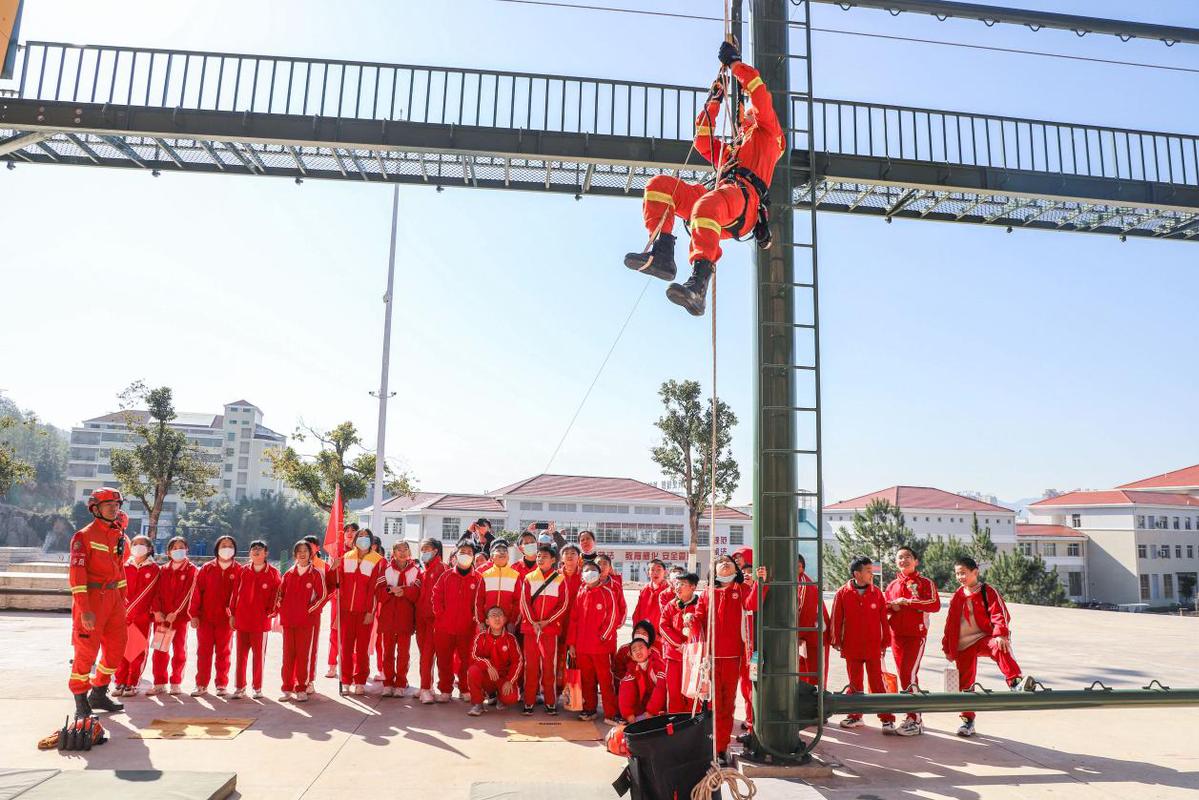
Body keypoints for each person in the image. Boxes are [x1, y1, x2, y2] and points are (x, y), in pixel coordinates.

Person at [623, 41, 783, 316]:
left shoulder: (769, 135)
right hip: (724, 195)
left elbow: (757, 90)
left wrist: (735, 65)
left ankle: (698, 286)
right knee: (660, 186)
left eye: (747, 113)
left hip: (743, 200)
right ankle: (662, 253)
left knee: (705, 206)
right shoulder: (734, 148)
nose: (745, 115)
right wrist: (714, 101)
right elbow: (702, 140)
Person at [942, 556, 1035, 737]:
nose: (960, 577)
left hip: (983, 638)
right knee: (965, 684)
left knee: (999, 646)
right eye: (957, 574)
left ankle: (1015, 682)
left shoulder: (987, 591)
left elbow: (999, 613)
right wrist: (947, 647)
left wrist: (1001, 634)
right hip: (963, 645)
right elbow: (950, 624)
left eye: (963, 573)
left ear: (975, 572)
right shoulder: (958, 595)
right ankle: (967, 721)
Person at [694, 555, 765, 764]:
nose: (725, 563)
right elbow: (698, 616)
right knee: (710, 704)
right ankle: (709, 746)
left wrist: (761, 583)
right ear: (714, 570)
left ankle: (722, 747)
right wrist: (691, 619)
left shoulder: (742, 589)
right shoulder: (708, 593)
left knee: (727, 705)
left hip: (734, 658)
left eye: (728, 561)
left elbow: (754, 604)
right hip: (710, 660)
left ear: (736, 568)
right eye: (720, 561)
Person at [67, 487, 130, 716]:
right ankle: (80, 700)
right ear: (95, 509)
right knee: (86, 652)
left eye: (117, 505)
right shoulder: (83, 537)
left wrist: (122, 601)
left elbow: (120, 570)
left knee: (117, 649)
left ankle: (99, 693)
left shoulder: (118, 534)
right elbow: (77, 577)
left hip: (114, 600)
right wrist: (84, 609)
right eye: (109, 505)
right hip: (92, 600)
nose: (114, 509)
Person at [883, 545, 941, 736]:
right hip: (896, 637)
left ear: (916, 561)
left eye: (908, 556)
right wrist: (893, 607)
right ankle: (912, 715)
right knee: (904, 676)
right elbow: (885, 609)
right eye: (899, 557)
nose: (903, 560)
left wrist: (908, 602)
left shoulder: (925, 582)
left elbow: (934, 605)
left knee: (909, 674)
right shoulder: (892, 586)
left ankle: (915, 719)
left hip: (916, 636)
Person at [830, 556, 891, 731]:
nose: (872, 574)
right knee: (855, 683)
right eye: (868, 571)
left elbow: (883, 620)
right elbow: (836, 618)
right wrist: (836, 640)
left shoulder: (877, 593)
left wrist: (885, 641)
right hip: (852, 646)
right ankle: (855, 716)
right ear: (857, 573)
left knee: (877, 683)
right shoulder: (842, 592)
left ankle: (886, 718)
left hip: (873, 646)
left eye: (872, 570)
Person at [566, 560, 624, 722]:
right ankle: (589, 709)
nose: (589, 572)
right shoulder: (581, 592)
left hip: (601, 648)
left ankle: (610, 713)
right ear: (582, 575)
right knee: (587, 680)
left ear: (599, 574)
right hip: (582, 647)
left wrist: (602, 638)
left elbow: (613, 618)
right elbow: (574, 620)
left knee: (606, 681)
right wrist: (572, 644)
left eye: (593, 570)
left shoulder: (608, 593)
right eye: (586, 570)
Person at [331, 526, 385, 695]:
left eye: (366, 536)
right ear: (354, 540)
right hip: (346, 611)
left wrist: (370, 611)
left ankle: (360, 681)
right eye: (359, 536)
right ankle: (346, 680)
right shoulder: (346, 557)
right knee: (345, 648)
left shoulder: (378, 560)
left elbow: (375, 589)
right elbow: (335, 583)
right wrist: (334, 568)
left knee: (362, 649)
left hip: (364, 612)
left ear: (371, 540)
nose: (362, 538)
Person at [189, 534, 242, 697]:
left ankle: (221, 684)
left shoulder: (239, 570)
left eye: (229, 545)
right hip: (205, 618)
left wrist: (235, 615)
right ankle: (201, 684)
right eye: (223, 545)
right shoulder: (207, 568)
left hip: (226, 620)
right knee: (203, 652)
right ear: (217, 548)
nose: (226, 549)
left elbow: (240, 595)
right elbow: (196, 591)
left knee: (223, 652)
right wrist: (194, 614)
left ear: (234, 549)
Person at [518, 544, 568, 715]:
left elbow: (563, 605)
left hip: (550, 630)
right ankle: (529, 701)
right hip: (531, 630)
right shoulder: (529, 578)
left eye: (544, 556)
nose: (540, 559)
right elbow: (523, 602)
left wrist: (547, 622)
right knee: (530, 666)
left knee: (549, 666)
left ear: (553, 560)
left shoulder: (560, 579)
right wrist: (534, 622)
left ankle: (550, 701)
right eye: (538, 556)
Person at [432, 538, 483, 702]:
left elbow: (480, 602)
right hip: (444, 627)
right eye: (462, 552)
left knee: (466, 661)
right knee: (444, 660)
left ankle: (464, 688)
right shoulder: (446, 576)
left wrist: (476, 620)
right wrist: (440, 614)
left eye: (469, 552)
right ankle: (445, 690)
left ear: (474, 556)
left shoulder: (478, 578)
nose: (466, 555)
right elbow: (436, 595)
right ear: (456, 555)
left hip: (467, 628)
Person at [229, 539, 280, 700]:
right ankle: (239, 687)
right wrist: (232, 614)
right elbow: (234, 594)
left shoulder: (273, 573)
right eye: (253, 549)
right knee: (240, 656)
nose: (256, 551)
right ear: (250, 553)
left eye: (260, 549)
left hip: (260, 623)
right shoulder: (242, 571)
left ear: (266, 553)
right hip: (242, 620)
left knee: (258, 657)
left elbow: (277, 595)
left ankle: (257, 688)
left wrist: (270, 612)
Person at [149, 536, 198, 696]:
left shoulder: (192, 570)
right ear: (169, 552)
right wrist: (157, 611)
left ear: (187, 549)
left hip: (179, 619)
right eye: (174, 548)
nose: (178, 550)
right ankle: (159, 682)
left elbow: (188, 594)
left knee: (179, 652)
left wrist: (175, 613)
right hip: (162, 619)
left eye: (181, 547)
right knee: (160, 651)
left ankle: (176, 682)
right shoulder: (163, 570)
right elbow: (155, 592)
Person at [278, 540, 327, 702]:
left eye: (305, 550)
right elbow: (280, 596)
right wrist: (282, 611)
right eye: (299, 551)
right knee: (287, 656)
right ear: (295, 555)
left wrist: (308, 611)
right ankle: (287, 688)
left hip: (306, 623)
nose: (302, 554)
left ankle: (301, 688)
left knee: (303, 656)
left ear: (310, 553)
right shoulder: (288, 574)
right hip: (288, 622)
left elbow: (322, 596)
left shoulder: (316, 574)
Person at [113, 533, 159, 697]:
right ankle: (120, 681)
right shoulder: (124, 566)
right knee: (121, 650)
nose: (138, 547)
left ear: (149, 549)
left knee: (138, 650)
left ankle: (132, 683)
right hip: (122, 615)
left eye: (142, 544)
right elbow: (118, 590)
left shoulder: (154, 569)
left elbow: (153, 594)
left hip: (142, 616)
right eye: (135, 543)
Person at [376, 540, 421, 697]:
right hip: (388, 618)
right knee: (387, 653)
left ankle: (401, 683)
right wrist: (390, 590)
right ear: (393, 553)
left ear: (409, 552)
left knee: (403, 654)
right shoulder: (385, 570)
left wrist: (406, 592)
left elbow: (418, 594)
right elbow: (378, 593)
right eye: (398, 549)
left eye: (405, 549)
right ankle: (388, 683)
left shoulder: (416, 571)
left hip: (405, 618)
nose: (402, 552)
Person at [466, 606, 523, 716]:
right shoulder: (480, 637)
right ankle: (478, 704)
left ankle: (501, 697)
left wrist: (510, 681)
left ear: (505, 619)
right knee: (473, 671)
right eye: (493, 615)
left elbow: (518, 661)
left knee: (511, 698)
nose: (497, 618)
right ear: (487, 621)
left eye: (500, 615)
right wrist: (487, 665)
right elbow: (474, 656)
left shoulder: (510, 639)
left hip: (503, 678)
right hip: (487, 676)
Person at [658, 571, 700, 714]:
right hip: (674, 656)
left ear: (693, 587)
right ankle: (675, 723)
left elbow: (704, 629)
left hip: (694, 657)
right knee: (674, 691)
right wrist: (678, 645)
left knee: (692, 691)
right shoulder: (671, 605)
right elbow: (663, 626)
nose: (678, 587)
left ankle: (693, 721)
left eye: (683, 584)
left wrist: (689, 647)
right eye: (677, 583)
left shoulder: (700, 605)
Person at [323, 522, 358, 679]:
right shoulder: (336, 552)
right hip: (339, 597)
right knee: (335, 631)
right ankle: (332, 665)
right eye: (347, 531)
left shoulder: (360, 553)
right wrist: (335, 565)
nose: (350, 533)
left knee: (354, 634)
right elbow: (329, 576)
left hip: (356, 598)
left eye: (353, 531)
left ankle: (354, 666)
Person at [415, 537, 445, 704]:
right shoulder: (423, 570)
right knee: (423, 655)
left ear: (435, 551)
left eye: (427, 549)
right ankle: (425, 686)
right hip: (421, 619)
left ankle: (426, 689)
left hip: (434, 620)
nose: (424, 552)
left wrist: (439, 616)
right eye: (422, 550)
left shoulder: (442, 569)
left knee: (428, 655)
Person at [618, 625, 667, 722]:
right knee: (627, 683)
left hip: (660, 707)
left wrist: (651, 711)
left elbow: (661, 689)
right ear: (632, 657)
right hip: (644, 709)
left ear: (649, 651)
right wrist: (628, 714)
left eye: (641, 647)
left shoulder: (657, 665)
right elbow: (626, 692)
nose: (638, 651)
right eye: (634, 650)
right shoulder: (632, 669)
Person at [796, 553, 829, 689]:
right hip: (804, 635)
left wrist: (796, 636)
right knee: (802, 675)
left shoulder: (805, 585)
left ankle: (814, 708)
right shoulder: (797, 582)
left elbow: (806, 614)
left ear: (801, 567)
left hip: (812, 636)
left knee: (812, 678)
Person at [303, 534, 329, 693]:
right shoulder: (298, 564)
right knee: (296, 649)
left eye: (311, 545)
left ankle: (309, 680)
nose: (307, 548)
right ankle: (296, 679)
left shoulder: (322, 566)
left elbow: (328, 591)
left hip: (313, 613)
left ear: (317, 548)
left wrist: (316, 607)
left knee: (311, 647)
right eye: (305, 545)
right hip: (296, 613)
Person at [477, 539, 521, 629]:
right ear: (492, 557)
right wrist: (481, 621)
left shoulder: (515, 575)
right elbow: (479, 600)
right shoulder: (485, 575)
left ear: (508, 557)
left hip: (507, 623)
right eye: (498, 551)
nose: (502, 553)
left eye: (505, 551)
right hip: (488, 621)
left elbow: (518, 601)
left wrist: (512, 622)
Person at [633, 559, 669, 648]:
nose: (655, 572)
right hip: (645, 637)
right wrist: (638, 632)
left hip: (661, 639)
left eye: (659, 569)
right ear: (648, 573)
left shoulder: (670, 591)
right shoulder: (644, 590)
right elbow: (637, 613)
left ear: (665, 572)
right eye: (652, 570)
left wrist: (663, 637)